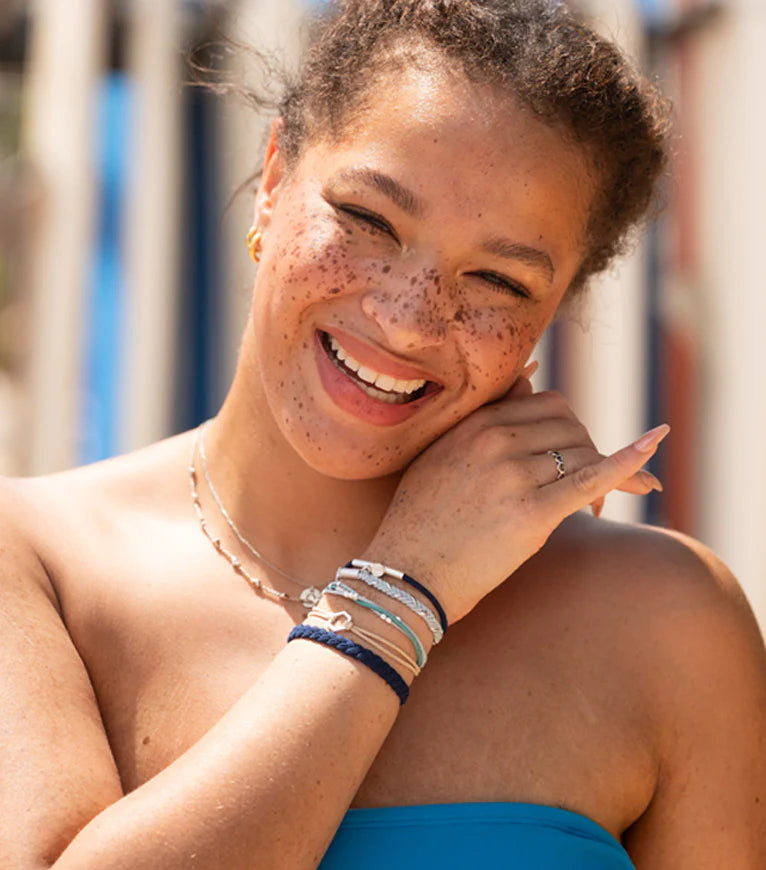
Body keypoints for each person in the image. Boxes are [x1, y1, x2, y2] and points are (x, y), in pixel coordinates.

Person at [2, 1, 765, 867]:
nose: (407, 319)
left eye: (499, 281)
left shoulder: (667, 619)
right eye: (368, 220)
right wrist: (402, 591)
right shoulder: (36, 562)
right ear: (275, 177)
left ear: (552, 313)